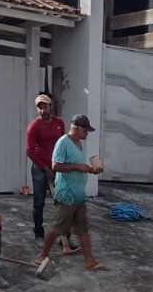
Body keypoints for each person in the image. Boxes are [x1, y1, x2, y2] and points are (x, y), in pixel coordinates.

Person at [37, 115, 103, 273]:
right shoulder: (63, 143)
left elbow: (77, 165)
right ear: (78, 128)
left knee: (83, 229)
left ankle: (89, 261)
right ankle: (41, 256)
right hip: (67, 195)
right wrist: (78, 167)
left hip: (78, 195)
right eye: (86, 130)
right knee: (57, 228)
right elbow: (56, 166)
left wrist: (89, 169)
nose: (87, 134)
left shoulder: (78, 143)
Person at [25, 93, 65, 239]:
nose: (42, 110)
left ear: (50, 106)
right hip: (40, 169)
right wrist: (45, 168)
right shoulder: (34, 126)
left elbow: (63, 144)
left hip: (57, 168)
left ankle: (63, 238)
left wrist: (61, 165)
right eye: (39, 108)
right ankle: (38, 232)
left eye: (45, 107)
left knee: (61, 203)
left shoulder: (59, 123)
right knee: (39, 202)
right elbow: (29, 151)